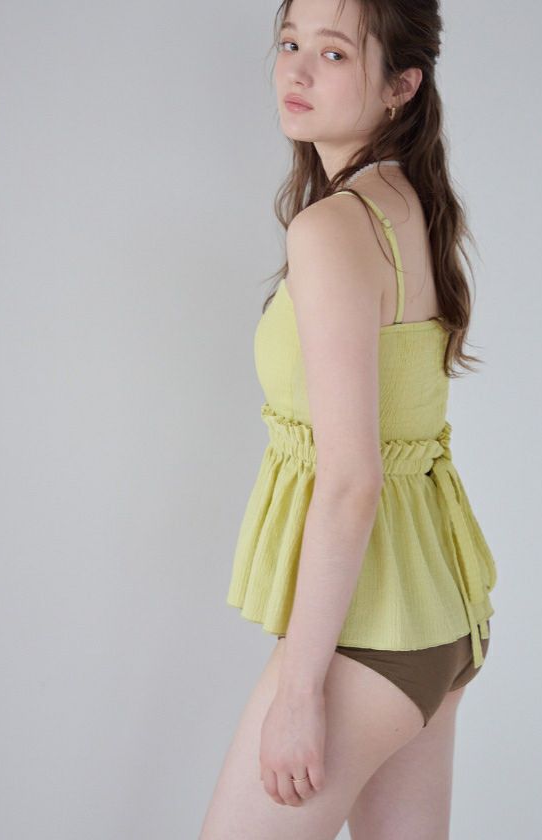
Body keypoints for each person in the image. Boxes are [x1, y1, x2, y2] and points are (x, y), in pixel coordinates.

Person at [199, 1, 497, 837]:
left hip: (371, 629)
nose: (294, 70)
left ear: (402, 85)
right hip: (438, 618)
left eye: (333, 54)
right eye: (290, 42)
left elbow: (351, 481)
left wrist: (299, 693)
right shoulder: (408, 205)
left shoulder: (332, 228)